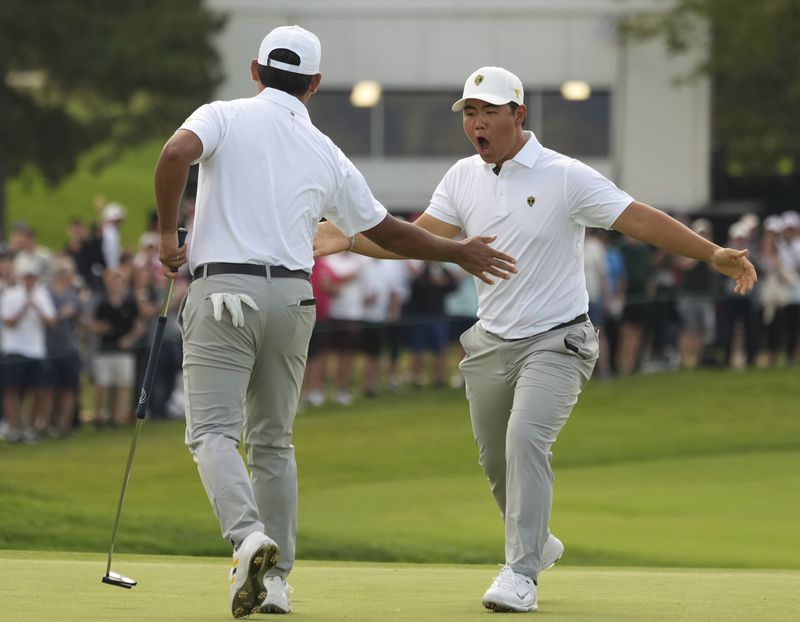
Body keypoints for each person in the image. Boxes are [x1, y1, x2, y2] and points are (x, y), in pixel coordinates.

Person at [315, 65, 757, 614]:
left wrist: (711, 253)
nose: (477, 124)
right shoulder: (461, 177)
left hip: (559, 340)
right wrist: (351, 239)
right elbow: (420, 239)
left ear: (518, 115)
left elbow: (638, 220)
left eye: (489, 112)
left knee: (525, 440)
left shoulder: (564, 175)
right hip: (491, 343)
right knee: (495, 459)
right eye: (470, 113)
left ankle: (521, 573)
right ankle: (538, 541)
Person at [154, 27, 515, 619]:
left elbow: (174, 155)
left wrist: (169, 235)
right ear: (315, 85)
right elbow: (387, 231)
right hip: (294, 298)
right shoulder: (326, 150)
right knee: (273, 439)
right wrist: (457, 251)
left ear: (255, 70)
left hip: (224, 290)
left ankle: (247, 538)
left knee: (213, 433)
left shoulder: (221, 114)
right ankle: (276, 584)